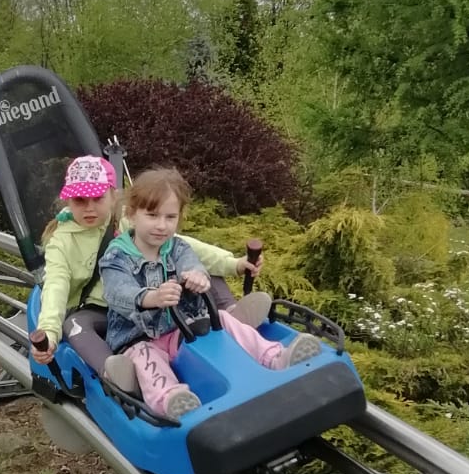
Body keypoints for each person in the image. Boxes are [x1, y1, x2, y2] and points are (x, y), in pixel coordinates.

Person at [30, 154, 269, 394]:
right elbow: (55, 287)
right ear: (68, 201)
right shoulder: (61, 242)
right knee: (75, 325)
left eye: (97, 198)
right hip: (103, 308)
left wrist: (234, 264)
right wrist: (49, 333)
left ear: (113, 196)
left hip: (151, 291)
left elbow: (182, 245)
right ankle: (115, 371)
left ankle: (232, 316)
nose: (90, 207)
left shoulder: (126, 220)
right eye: (80, 200)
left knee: (198, 268)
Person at [100, 167, 321, 420]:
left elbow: (192, 264)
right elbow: (118, 292)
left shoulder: (177, 247)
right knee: (144, 356)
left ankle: (275, 357)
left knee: (223, 319)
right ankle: (169, 399)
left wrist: (197, 276)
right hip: (140, 337)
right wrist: (151, 298)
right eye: (152, 215)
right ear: (131, 214)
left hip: (183, 329)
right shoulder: (116, 256)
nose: (161, 225)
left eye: (170, 217)